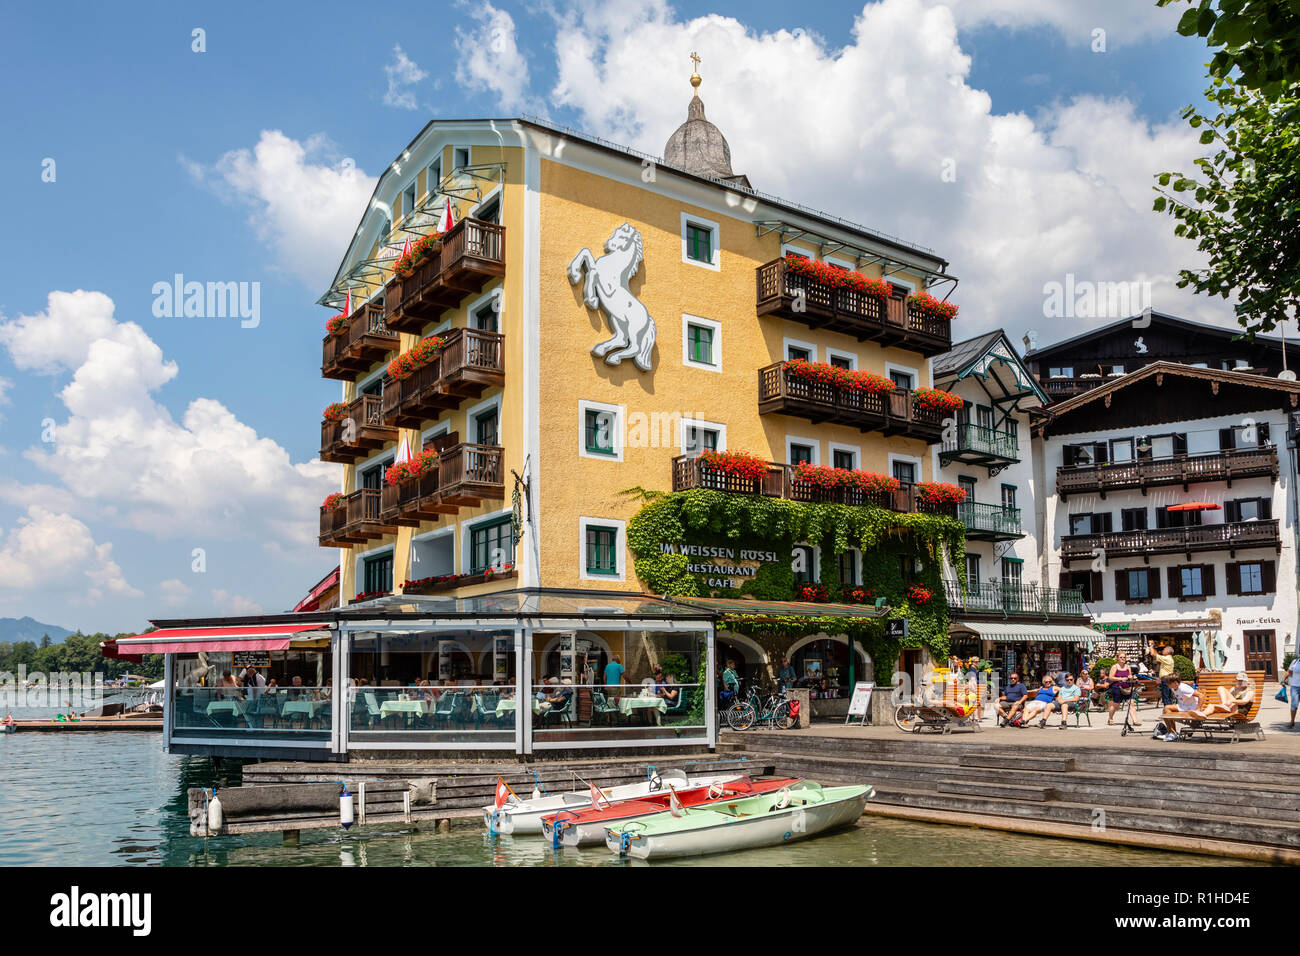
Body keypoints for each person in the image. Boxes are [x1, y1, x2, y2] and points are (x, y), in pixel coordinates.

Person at [1159, 675, 1204, 740]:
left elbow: (1201, 696)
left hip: (1192, 706)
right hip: (1184, 706)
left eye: (1169, 683)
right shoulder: (1173, 688)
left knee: (1167, 708)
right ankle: (1171, 732)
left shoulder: (1184, 688)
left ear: (1175, 683)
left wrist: (1198, 709)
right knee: (1166, 709)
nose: (1167, 685)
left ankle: (1173, 733)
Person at [1105, 652, 1140, 727]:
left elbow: (1130, 676)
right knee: (1116, 705)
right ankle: (1110, 718)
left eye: (1124, 657)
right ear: (1117, 658)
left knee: (1132, 703)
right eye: (1121, 657)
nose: (1123, 659)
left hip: (1127, 687)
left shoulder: (1128, 667)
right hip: (1117, 687)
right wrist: (1120, 679)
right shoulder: (1115, 667)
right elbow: (1110, 677)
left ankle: (1135, 720)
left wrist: (1131, 677)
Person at [1285, 655, 1300, 729]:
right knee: (1294, 705)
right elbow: (1289, 671)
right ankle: (1292, 721)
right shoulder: (1295, 662)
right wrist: (1283, 679)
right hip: (1295, 687)